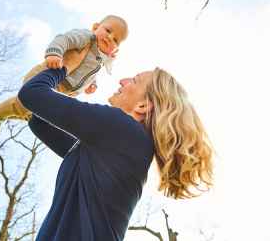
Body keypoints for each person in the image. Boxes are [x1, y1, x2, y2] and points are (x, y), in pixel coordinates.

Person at [17, 53, 214, 241]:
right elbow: (39, 121)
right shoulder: (117, 148)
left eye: (134, 80)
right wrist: (66, 87)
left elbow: (32, 94)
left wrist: (67, 65)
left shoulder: (122, 129)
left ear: (143, 106)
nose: (123, 81)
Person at [0, 15, 128, 138]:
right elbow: (64, 39)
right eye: (108, 30)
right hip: (50, 73)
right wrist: (55, 53)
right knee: (25, 105)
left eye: (116, 40)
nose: (110, 37)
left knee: (34, 114)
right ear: (96, 27)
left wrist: (92, 84)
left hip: (65, 91)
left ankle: (2, 115)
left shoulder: (100, 60)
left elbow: (89, 73)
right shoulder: (86, 38)